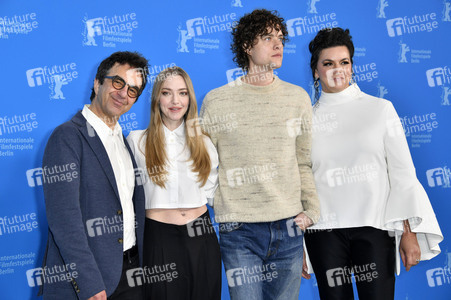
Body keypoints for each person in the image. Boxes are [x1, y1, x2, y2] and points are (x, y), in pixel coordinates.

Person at [303, 27, 443, 300]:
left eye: (344, 62)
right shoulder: (304, 120)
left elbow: (402, 174)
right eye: (328, 63)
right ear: (315, 70)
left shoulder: (380, 109)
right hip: (322, 233)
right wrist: (298, 246)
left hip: (374, 228)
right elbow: (300, 182)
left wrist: (408, 232)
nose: (337, 70)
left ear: (352, 67)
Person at [200, 9, 320, 300]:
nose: (278, 45)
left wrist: (311, 211)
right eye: (268, 37)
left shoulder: (297, 98)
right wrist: (223, 205)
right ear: (246, 46)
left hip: (289, 227)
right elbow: (204, 165)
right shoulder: (216, 101)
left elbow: (303, 160)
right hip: (239, 231)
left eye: (280, 38)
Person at [39, 51, 148, 300]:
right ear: (98, 82)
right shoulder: (67, 137)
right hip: (89, 282)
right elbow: (64, 220)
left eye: (133, 90)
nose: (124, 94)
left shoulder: (124, 141)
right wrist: (88, 283)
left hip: (130, 274)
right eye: (118, 82)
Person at [127, 66, 221, 299]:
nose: (175, 100)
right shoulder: (136, 141)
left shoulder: (205, 144)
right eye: (167, 92)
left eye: (183, 93)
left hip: (201, 236)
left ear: (190, 98)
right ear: (157, 98)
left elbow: (212, 191)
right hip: (157, 239)